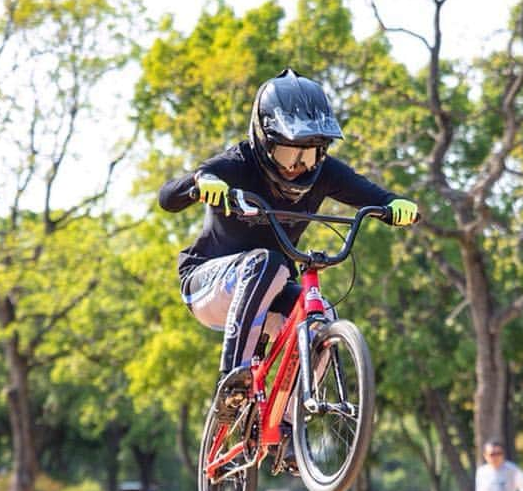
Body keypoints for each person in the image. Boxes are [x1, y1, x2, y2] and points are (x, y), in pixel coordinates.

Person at [158, 68, 419, 457]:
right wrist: (201, 184)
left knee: (318, 316)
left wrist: (395, 205)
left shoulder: (323, 173)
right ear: (265, 142)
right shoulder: (239, 162)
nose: (298, 165)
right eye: (288, 151)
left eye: (309, 152)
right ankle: (233, 379)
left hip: (266, 289)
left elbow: (374, 194)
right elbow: (167, 197)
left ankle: (285, 426)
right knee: (271, 264)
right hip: (208, 285)